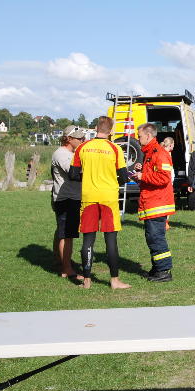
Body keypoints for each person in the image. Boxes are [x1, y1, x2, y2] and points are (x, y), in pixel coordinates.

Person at [69, 116, 131, 290]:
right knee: (110, 239)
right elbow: (124, 177)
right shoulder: (115, 148)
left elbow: (73, 175)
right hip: (109, 198)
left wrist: (88, 177)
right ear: (110, 131)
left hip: (88, 196)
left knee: (88, 239)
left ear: (96, 128)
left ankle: (87, 280)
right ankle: (114, 280)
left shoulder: (82, 147)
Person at [135, 123, 175, 282]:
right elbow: (154, 174)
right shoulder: (150, 152)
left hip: (157, 203)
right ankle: (157, 268)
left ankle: (164, 271)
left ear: (148, 136)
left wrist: (142, 176)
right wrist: (141, 172)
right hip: (152, 202)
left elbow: (164, 178)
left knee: (156, 237)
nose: (137, 138)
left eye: (139, 135)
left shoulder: (159, 153)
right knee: (152, 237)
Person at [51, 125, 85, 280]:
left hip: (69, 197)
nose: (82, 140)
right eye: (78, 138)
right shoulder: (62, 154)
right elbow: (74, 174)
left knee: (62, 232)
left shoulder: (69, 153)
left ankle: (60, 261)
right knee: (67, 235)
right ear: (69, 139)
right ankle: (67, 268)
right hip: (66, 199)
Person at [161, 137, 175, 231]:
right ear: (170, 145)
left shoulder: (162, 153)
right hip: (166, 183)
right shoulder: (166, 155)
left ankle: (165, 223)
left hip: (167, 182)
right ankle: (164, 223)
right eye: (173, 144)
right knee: (167, 203)